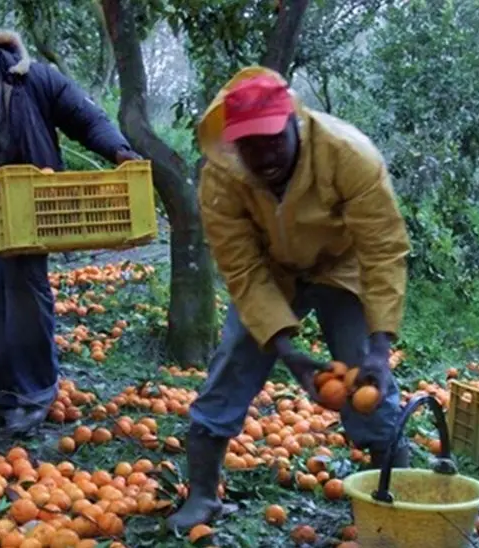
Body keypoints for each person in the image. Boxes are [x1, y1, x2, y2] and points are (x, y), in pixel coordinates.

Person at [167, 66, 414, 529]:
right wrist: (287, 350)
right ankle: (202, 495)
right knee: (235, 358)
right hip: (271, 270)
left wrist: (381, 348)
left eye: (272, 140)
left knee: (364, 374)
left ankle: (394, 496)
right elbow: (241, 266)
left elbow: (382, 250)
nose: (263, 157)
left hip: (341, 266)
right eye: (249, 145)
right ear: (232, 143)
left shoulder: (347, 155)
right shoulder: (222, 178)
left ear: (293, 122)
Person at [0, 21, 142, 437]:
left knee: (25, 297)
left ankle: (36, 395)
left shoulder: (31, 78)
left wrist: (119, 150)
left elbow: (85, 119)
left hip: (30, 210)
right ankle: (5, 398)